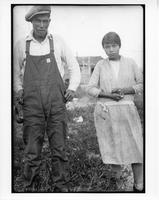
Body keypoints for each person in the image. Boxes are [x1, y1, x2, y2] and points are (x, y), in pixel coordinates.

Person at [14, 5, 81, 192]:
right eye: (38, 21)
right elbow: (12, 72)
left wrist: (73, 88)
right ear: (32, 22)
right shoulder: (21, 45)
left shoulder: (58, 42)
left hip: (56, 103)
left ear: (49, 22)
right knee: (32, 150)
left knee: (59, 147)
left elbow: (74, 68)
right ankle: (30, 188)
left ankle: (61, 187)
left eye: (46, 21)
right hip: (32, 104)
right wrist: (18, 90)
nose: (42, 25)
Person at [86, 32, 143, 192]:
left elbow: (141, 84)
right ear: (103, 48)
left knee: (136, 146)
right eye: (107, 46)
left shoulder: (131, 63)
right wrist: (107, 94)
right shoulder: (100, 65)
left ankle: (139, 185)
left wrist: (125, 90)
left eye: (114, 46)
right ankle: (117, 186)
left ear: (119, 45)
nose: (111, 49)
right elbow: (90, 88)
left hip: (127, 111)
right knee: (111, 148)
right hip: (107, 113)